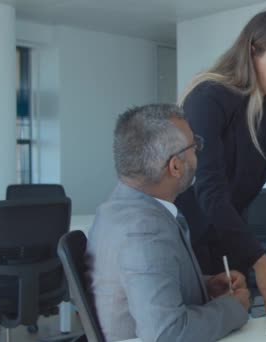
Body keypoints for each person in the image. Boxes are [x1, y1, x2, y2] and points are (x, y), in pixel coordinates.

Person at [174, 7, 266, 314]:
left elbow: (242, 190)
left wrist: (247, 255)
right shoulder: (208, 98)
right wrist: (260, 261)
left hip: (230, 234)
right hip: (191, 237)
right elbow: (210, 191)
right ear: (251, 52)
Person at [86, 104, 250, 342]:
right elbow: (168, 334)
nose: (198, 154)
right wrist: (234, 308)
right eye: (195, 146)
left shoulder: (117, 208)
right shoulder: (144, 231)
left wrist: (206, 285)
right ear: (175, 166)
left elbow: (143, 283)